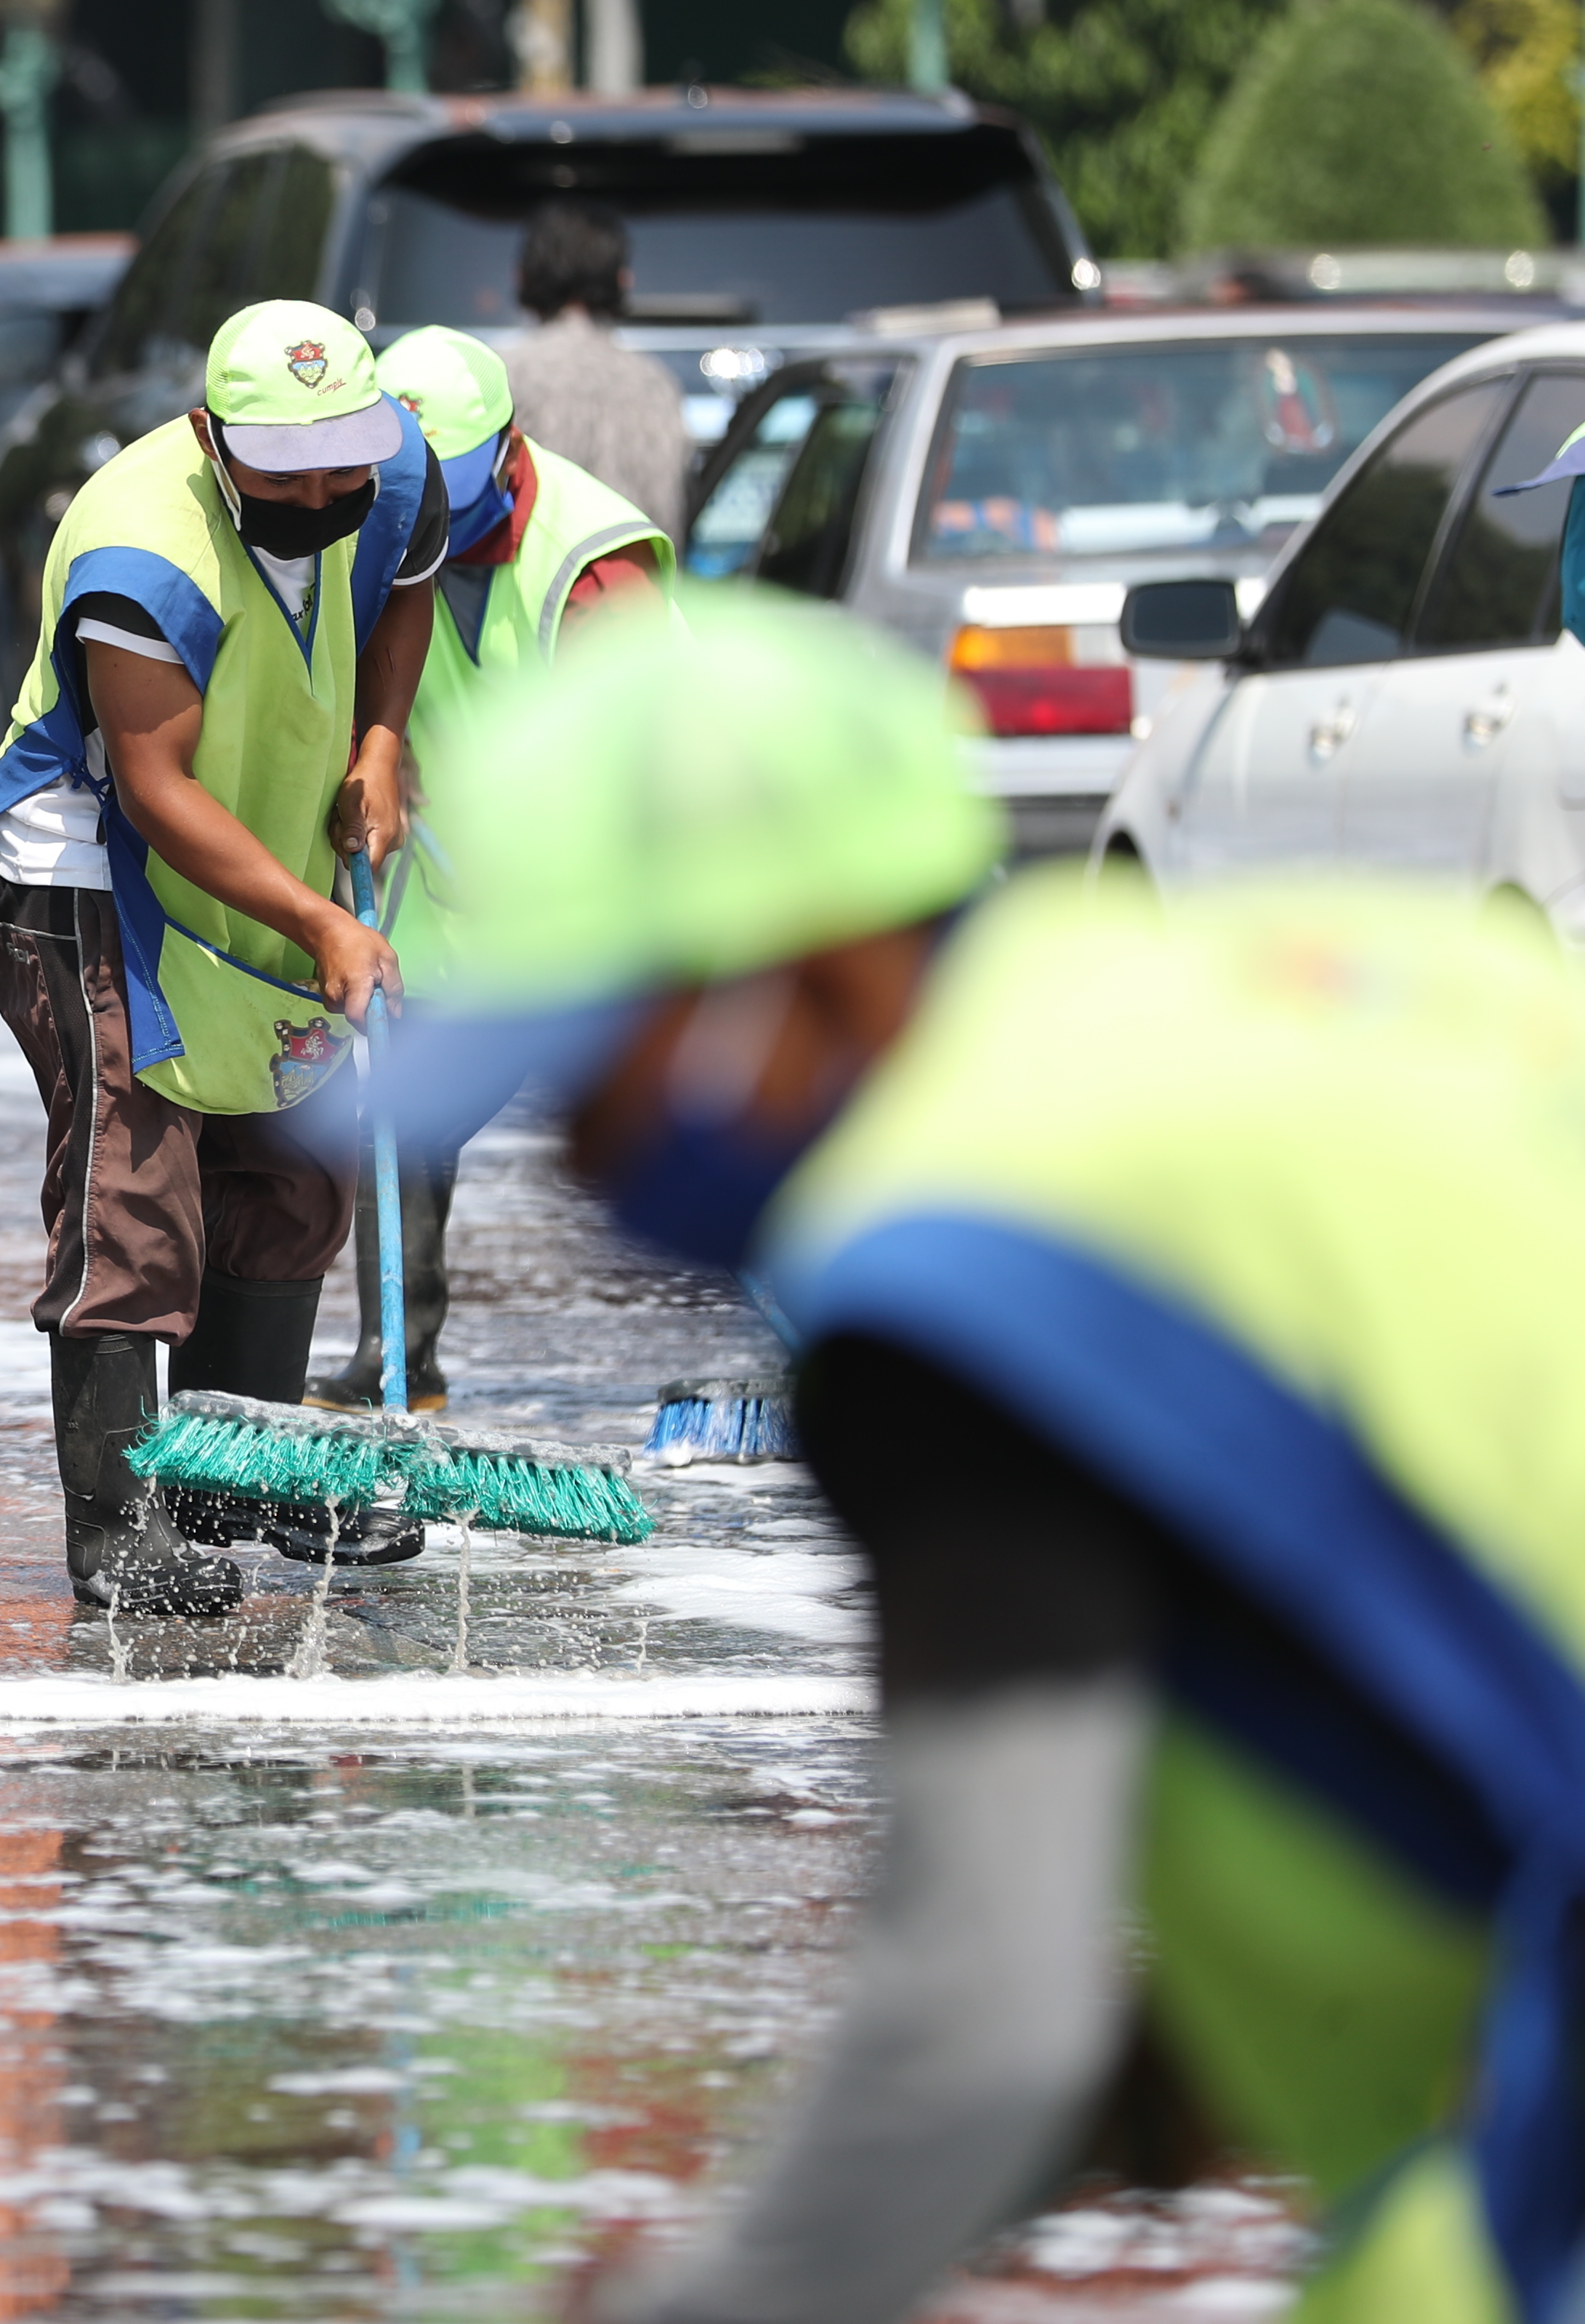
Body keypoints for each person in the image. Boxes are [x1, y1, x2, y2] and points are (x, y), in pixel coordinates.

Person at [392, 591, 1585, 2324]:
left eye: (592, 1078)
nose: (581, 1169)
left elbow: (982, 2017)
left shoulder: (954, 1273)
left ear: (795, 968)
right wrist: (1145, 2093)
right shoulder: (1301, 1000)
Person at [0, 300, 448, 1615]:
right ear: (208, 435)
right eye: (283, 472)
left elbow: (407, 583)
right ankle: (118, 1523)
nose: (319, 496)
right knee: (136, 1185)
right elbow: (154, 786)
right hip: (95, 880)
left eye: (339, 466)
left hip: (267, 857)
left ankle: (235, 1479)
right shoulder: (140, 551)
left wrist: (381, 742)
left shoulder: (390, 469)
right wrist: (323, 922)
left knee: (293, 1164)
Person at [301, 323, 671, 1416]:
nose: (425, 520)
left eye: (447, 498)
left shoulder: (591, 564)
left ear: (510, 454)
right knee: (403, 1105)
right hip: (446, 890)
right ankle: (396, 1361)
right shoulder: (356, 514)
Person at [500, 201, 691, 541]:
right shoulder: (657, 384)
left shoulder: (504, 375)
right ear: (623, 280)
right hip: (641, 571)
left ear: (522, 275)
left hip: (539, 574)